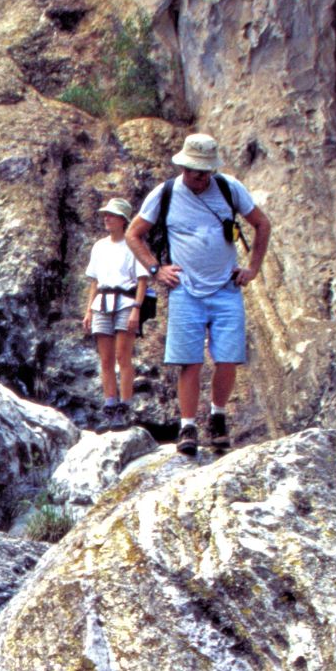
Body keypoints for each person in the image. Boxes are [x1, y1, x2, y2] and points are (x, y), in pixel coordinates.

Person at [126, 133, 271, 456]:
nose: (200, 176)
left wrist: (253, 268)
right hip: (185, 290)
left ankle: (218, 419)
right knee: (188, 361)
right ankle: (187, 426)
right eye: (194, 170)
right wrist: (155, 269)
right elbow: (133, 234)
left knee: (228, 358)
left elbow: (262, 224)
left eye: (205, 171)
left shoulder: (229, 188)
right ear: (183, 166)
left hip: (226, 287)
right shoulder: (165, 193)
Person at [81, 198, 146, 428]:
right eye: (105, 214)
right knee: (106, 359)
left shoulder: (133, 245)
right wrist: (88, 310)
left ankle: (125, 408)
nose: (106, 218)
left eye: (112, 215)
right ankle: (109, 408)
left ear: (123, 220)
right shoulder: (99, 246)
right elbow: (95, 281)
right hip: (102, 303)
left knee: (122, 357)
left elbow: (141, 280)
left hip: (126, 302)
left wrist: (136, 310)